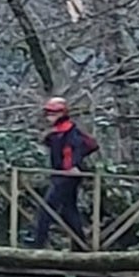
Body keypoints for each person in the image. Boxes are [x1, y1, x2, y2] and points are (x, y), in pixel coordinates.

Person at [29, 96, 98, 249]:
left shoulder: (68, 130)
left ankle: (38, 245)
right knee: (68, 211)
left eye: (54, 113)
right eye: (48, 113)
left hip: (66, 175)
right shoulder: (57, 131)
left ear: (62, 113)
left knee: (46, 208)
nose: (49, 117)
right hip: (63, 174)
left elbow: (72, 149)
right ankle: (80, 246)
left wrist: (71, 166)